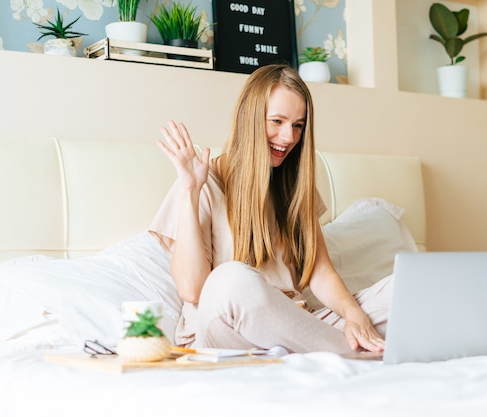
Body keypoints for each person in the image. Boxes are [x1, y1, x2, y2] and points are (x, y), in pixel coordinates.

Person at [149, 64, 391, 354]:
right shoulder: (201, 181)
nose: (288, 137)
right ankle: (350, 352)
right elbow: (191, 289)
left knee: (404, 289)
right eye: (277, 121)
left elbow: (320, 270)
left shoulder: (294, 186)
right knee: (232, 279)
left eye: (298, 125)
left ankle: (343, 345)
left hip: (297, 322)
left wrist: (355, 315)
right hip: (224, 332)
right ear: (250, 119)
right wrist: (190, 191)